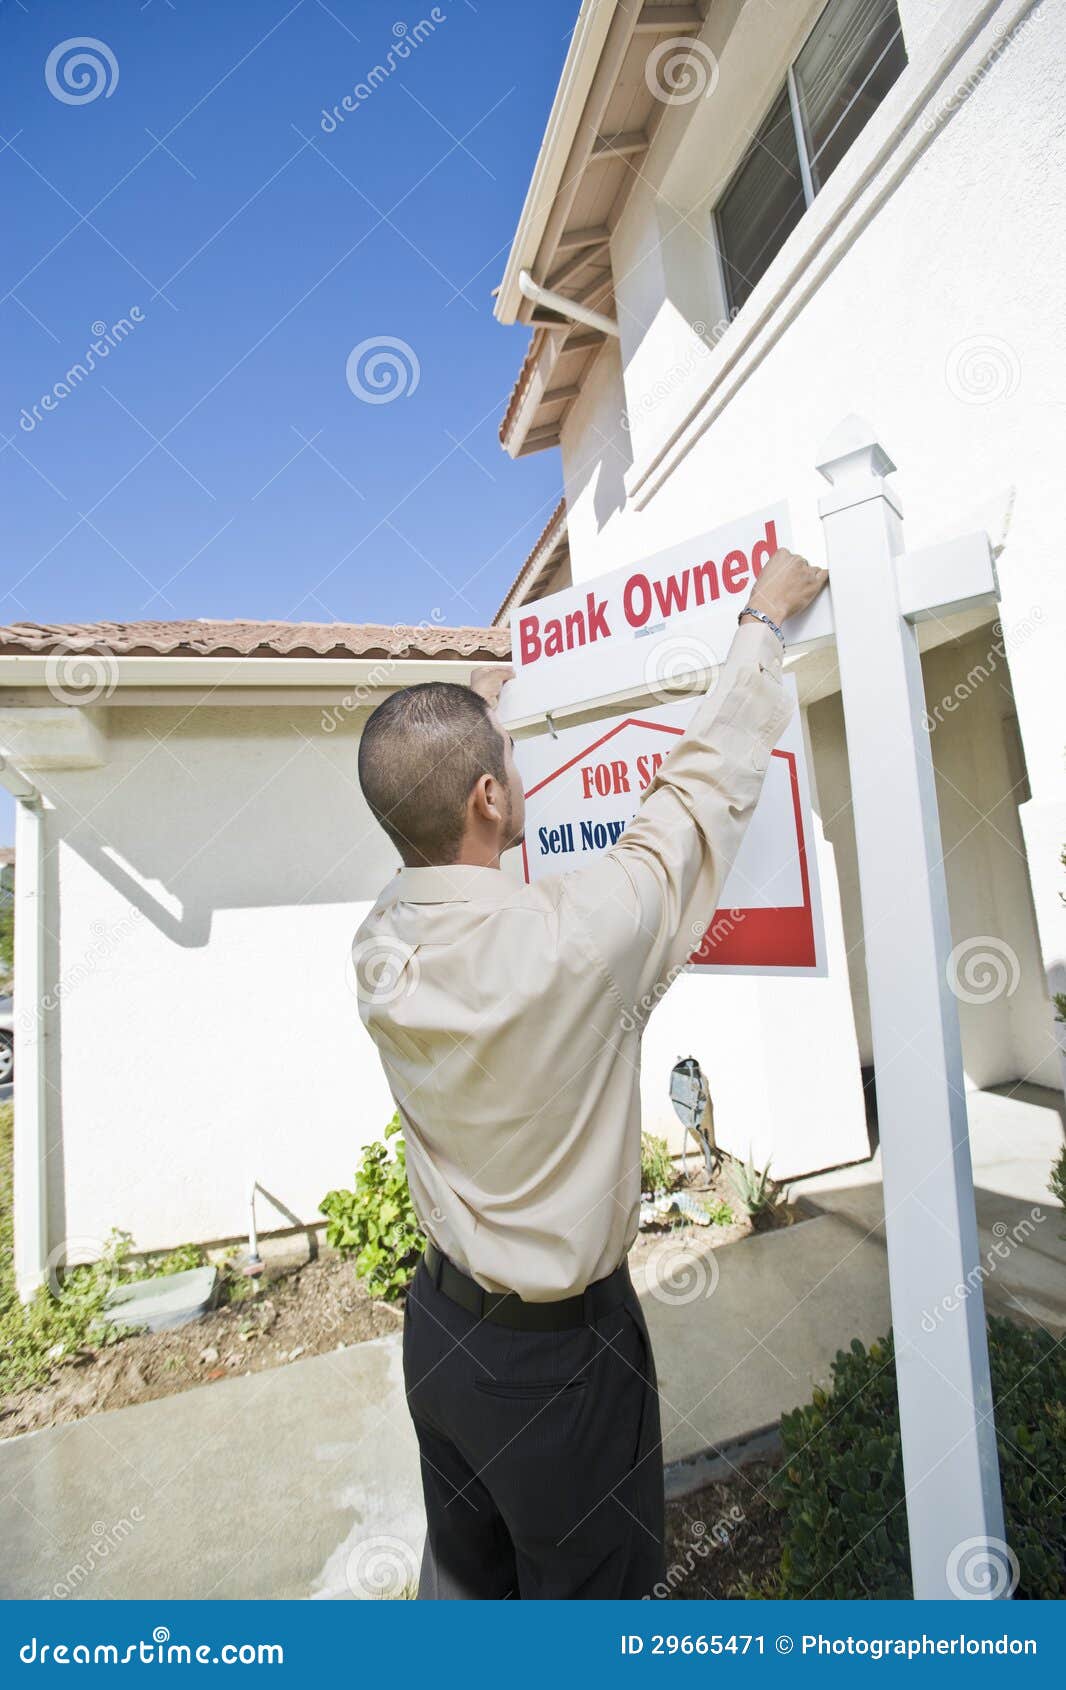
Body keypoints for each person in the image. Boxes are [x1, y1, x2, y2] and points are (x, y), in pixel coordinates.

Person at [354, 547, 829, 1599]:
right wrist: (760, 624)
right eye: (503, 777)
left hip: (438, 1337)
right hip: (557, 1370)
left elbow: (450, 876)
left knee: (472, 1594)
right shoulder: (576, 938)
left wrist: (478, 731)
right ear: (488, 795)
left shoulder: (379, 945)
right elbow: (686, 810)